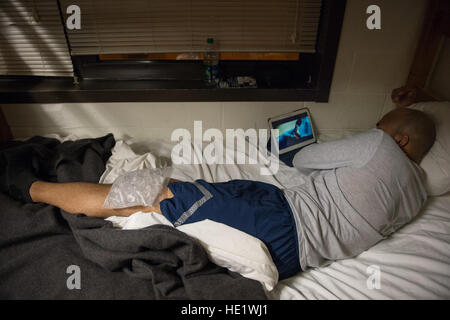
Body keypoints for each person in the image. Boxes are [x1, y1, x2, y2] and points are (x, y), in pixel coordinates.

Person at [0, 86, 436, 281]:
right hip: (296, 258)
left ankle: (28, 187)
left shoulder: (381, 147)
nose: (374, 128)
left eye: (381, 125)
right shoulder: (419, 195)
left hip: (279, 220)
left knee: (147, 192)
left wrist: (303, 143)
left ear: (397, 138)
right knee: (191, 196)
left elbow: (303, 156)